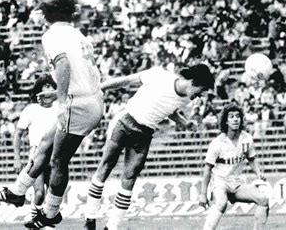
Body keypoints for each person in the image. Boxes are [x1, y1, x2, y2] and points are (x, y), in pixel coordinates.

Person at [0, 0, 104, 228]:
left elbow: (62, 64)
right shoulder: (78, 35)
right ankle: (18, 191)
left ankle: (50, 214)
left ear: (48, 16)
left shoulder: (52, 35)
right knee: (44, 143)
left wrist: (61, 102)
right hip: (90, 99)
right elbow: (85, 72)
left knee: (58, 159)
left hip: (77, 103)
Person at [84, 64, 215, 230]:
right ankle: (90, 218)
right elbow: (127, 80)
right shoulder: (159, 75)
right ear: (194, 82)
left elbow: (171, 110)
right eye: (201, 91)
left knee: (129, 178)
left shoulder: (185, 100)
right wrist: (100, 88)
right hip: (126, 121)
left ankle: (112, 226)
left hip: (144, 134)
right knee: (106, 165)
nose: (199, 97)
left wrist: (186, 123)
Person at [199, 103, 269, 230]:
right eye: (231, 117)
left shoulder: (247, 139)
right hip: (220, 183)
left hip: (237, 184)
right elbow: (207, 169)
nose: (235, 119)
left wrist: (258, 173)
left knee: (263, 200)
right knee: (221, 203)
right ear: (226, 121)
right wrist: (203, 194)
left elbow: (251, 158)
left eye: (238, 116)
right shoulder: (217, 143)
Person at [13, 75, 58, 224]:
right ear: (39, 91)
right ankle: (35, 219)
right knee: (39, 192)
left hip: (55, 152)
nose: (49, 90)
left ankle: (46, 222)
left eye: (51, 86)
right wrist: (17, 158)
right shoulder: (31, 109)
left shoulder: (59, 109)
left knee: (53, 192)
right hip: (37, 153)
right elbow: (18, 134)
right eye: (45, 87)